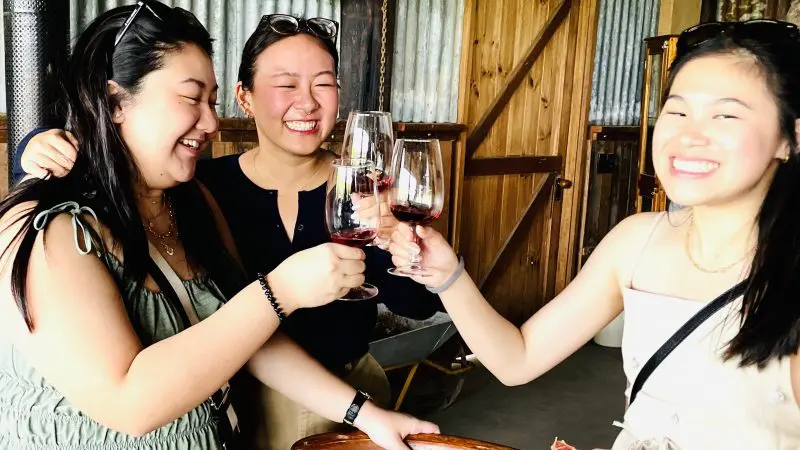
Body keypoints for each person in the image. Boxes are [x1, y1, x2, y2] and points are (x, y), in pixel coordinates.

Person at [0, 2, 438, 449]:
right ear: (115, 102)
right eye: (192, 98)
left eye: (211, 101)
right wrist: (280, 291)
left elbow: (248, 337)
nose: (211, 122)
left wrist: (366, 415)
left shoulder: (191, 202)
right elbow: (129, 404)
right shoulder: (49, 229)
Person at [388, 20, 800, 449]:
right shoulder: (635, 242)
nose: (689, 135)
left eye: (725, 115)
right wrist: (446, 275)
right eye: (677, 111)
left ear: (790, 139)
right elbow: (518, 359)